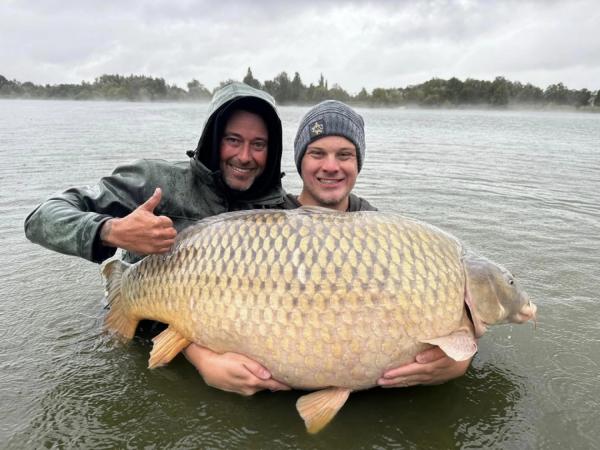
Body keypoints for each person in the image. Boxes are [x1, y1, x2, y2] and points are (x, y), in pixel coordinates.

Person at [185, 100, 471, 393]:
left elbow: (425, 300)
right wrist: (204, 360)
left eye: (344, 155)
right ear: (300, 161)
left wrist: (458, 360)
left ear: (358, 162)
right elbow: (188, 292)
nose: (331, 166)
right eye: (317, 153)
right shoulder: (260, 223)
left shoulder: (382, 230)